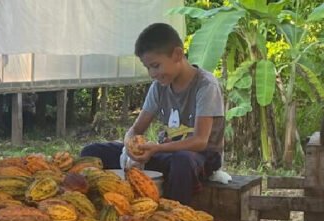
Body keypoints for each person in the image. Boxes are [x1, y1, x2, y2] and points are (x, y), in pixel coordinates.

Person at [80, 23, 224, 205]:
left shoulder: (205, 85)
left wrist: (156, 148)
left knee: (182, 161)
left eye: (155, 66)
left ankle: (174, 216)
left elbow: (200, 141)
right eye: (148, 67)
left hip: (201, 158)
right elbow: (135, 130)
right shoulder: (159, 87)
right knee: (92, 152)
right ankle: (98, 209)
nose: (152, 74)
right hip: (166, 153)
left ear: (177, 55)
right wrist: (131, 148)